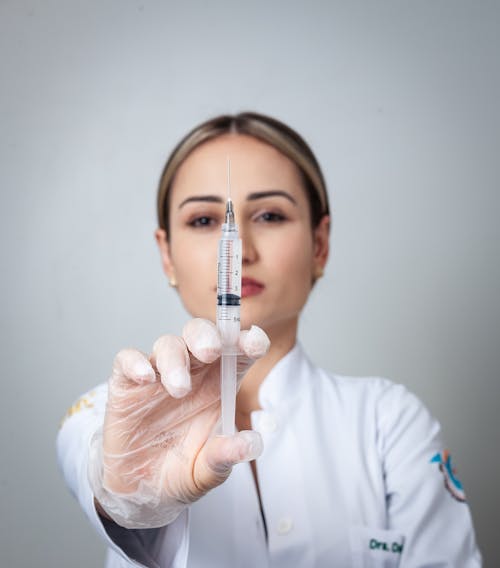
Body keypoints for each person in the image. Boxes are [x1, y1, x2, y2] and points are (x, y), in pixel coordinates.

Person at [57, 112, 482, 567]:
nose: (240, 250)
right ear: (167, 256)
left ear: (320, 243)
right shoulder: (116, 413)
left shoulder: (387, 424)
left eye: (271, 215)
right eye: (202, 220)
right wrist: (127, 497)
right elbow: (99, 473)